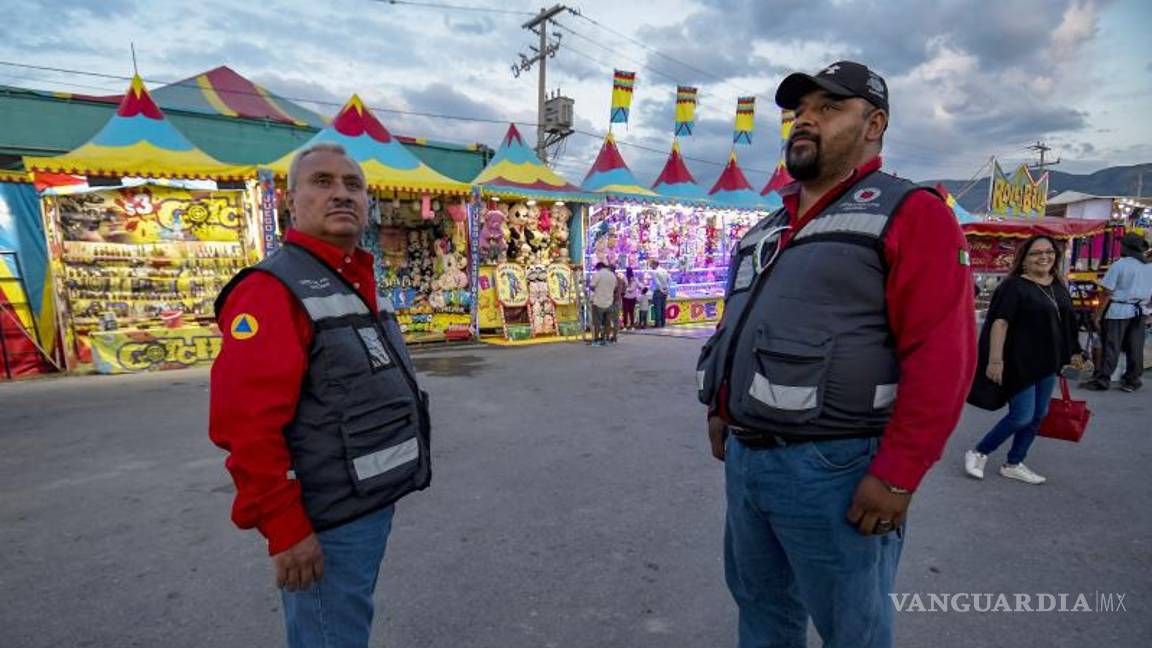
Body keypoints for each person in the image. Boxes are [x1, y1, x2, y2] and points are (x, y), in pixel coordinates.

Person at [695, 61, 976, 648]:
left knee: (853, 629)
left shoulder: (912, 212)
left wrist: (898, 476)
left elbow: (942, 356)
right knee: (762, 611)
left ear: (873, 123)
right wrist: (720, 407)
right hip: (748, 463)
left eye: (828, 109)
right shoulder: (768, 227)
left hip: (837, 470)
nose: (805, 121)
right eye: (800, 112)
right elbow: (740, 324)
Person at [209, 143, 431, 648]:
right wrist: (285, 526)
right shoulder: (272, 290)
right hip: (325, 519)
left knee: (343, 627)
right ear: (291, 201)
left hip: (363, 504)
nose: (341, 194)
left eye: (353, 186)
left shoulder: (351, 276)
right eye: (322, 182)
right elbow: (246, 424)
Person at [964, 235, 1082, 485]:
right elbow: (1000, 322)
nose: (1044, 256)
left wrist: (1074, 353)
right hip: (1019, 362)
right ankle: (979, 452)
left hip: (1048, 363)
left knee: (1040, 414)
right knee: (1021, 416)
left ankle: (1014, 463)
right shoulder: (1014, 286)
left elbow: (1067, 324)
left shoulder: (1057, 285)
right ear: (1024, 260)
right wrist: (995, 360)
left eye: (1049, 252)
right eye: (1036, 253)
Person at [1084, 232, 1152, 392]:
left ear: (1127, 247)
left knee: (1111, 345)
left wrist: (1097, 315)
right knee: (1135, 346)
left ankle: (1103, 379)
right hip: (1140, 311)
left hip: (1119, 310)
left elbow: (1106, 292)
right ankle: (1132, 380)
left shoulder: (1120, 265)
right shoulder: (1149, 267)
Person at [589, 261, 616, 346]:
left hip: (598, 302)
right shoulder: (612, 275)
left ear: (598, 267)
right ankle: (606, 338)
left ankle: (596, 339)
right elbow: (615, 288)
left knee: (597, 322)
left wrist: (596, 289)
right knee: (607, 322)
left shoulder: (598, 274)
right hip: (609, 302)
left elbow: (592, 286)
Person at [649, 258, 670, 328]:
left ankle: (658, 323)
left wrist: (661, 290)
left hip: (658, 291)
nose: (650, 265)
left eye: (651, 264)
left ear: (654, 264)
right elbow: (669, 279)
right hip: (665, 291)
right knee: (663, 308)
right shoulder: (664, 270)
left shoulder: (655, 272)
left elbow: (657, 283)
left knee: (657, 308)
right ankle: (663, 323)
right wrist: (666, 289)